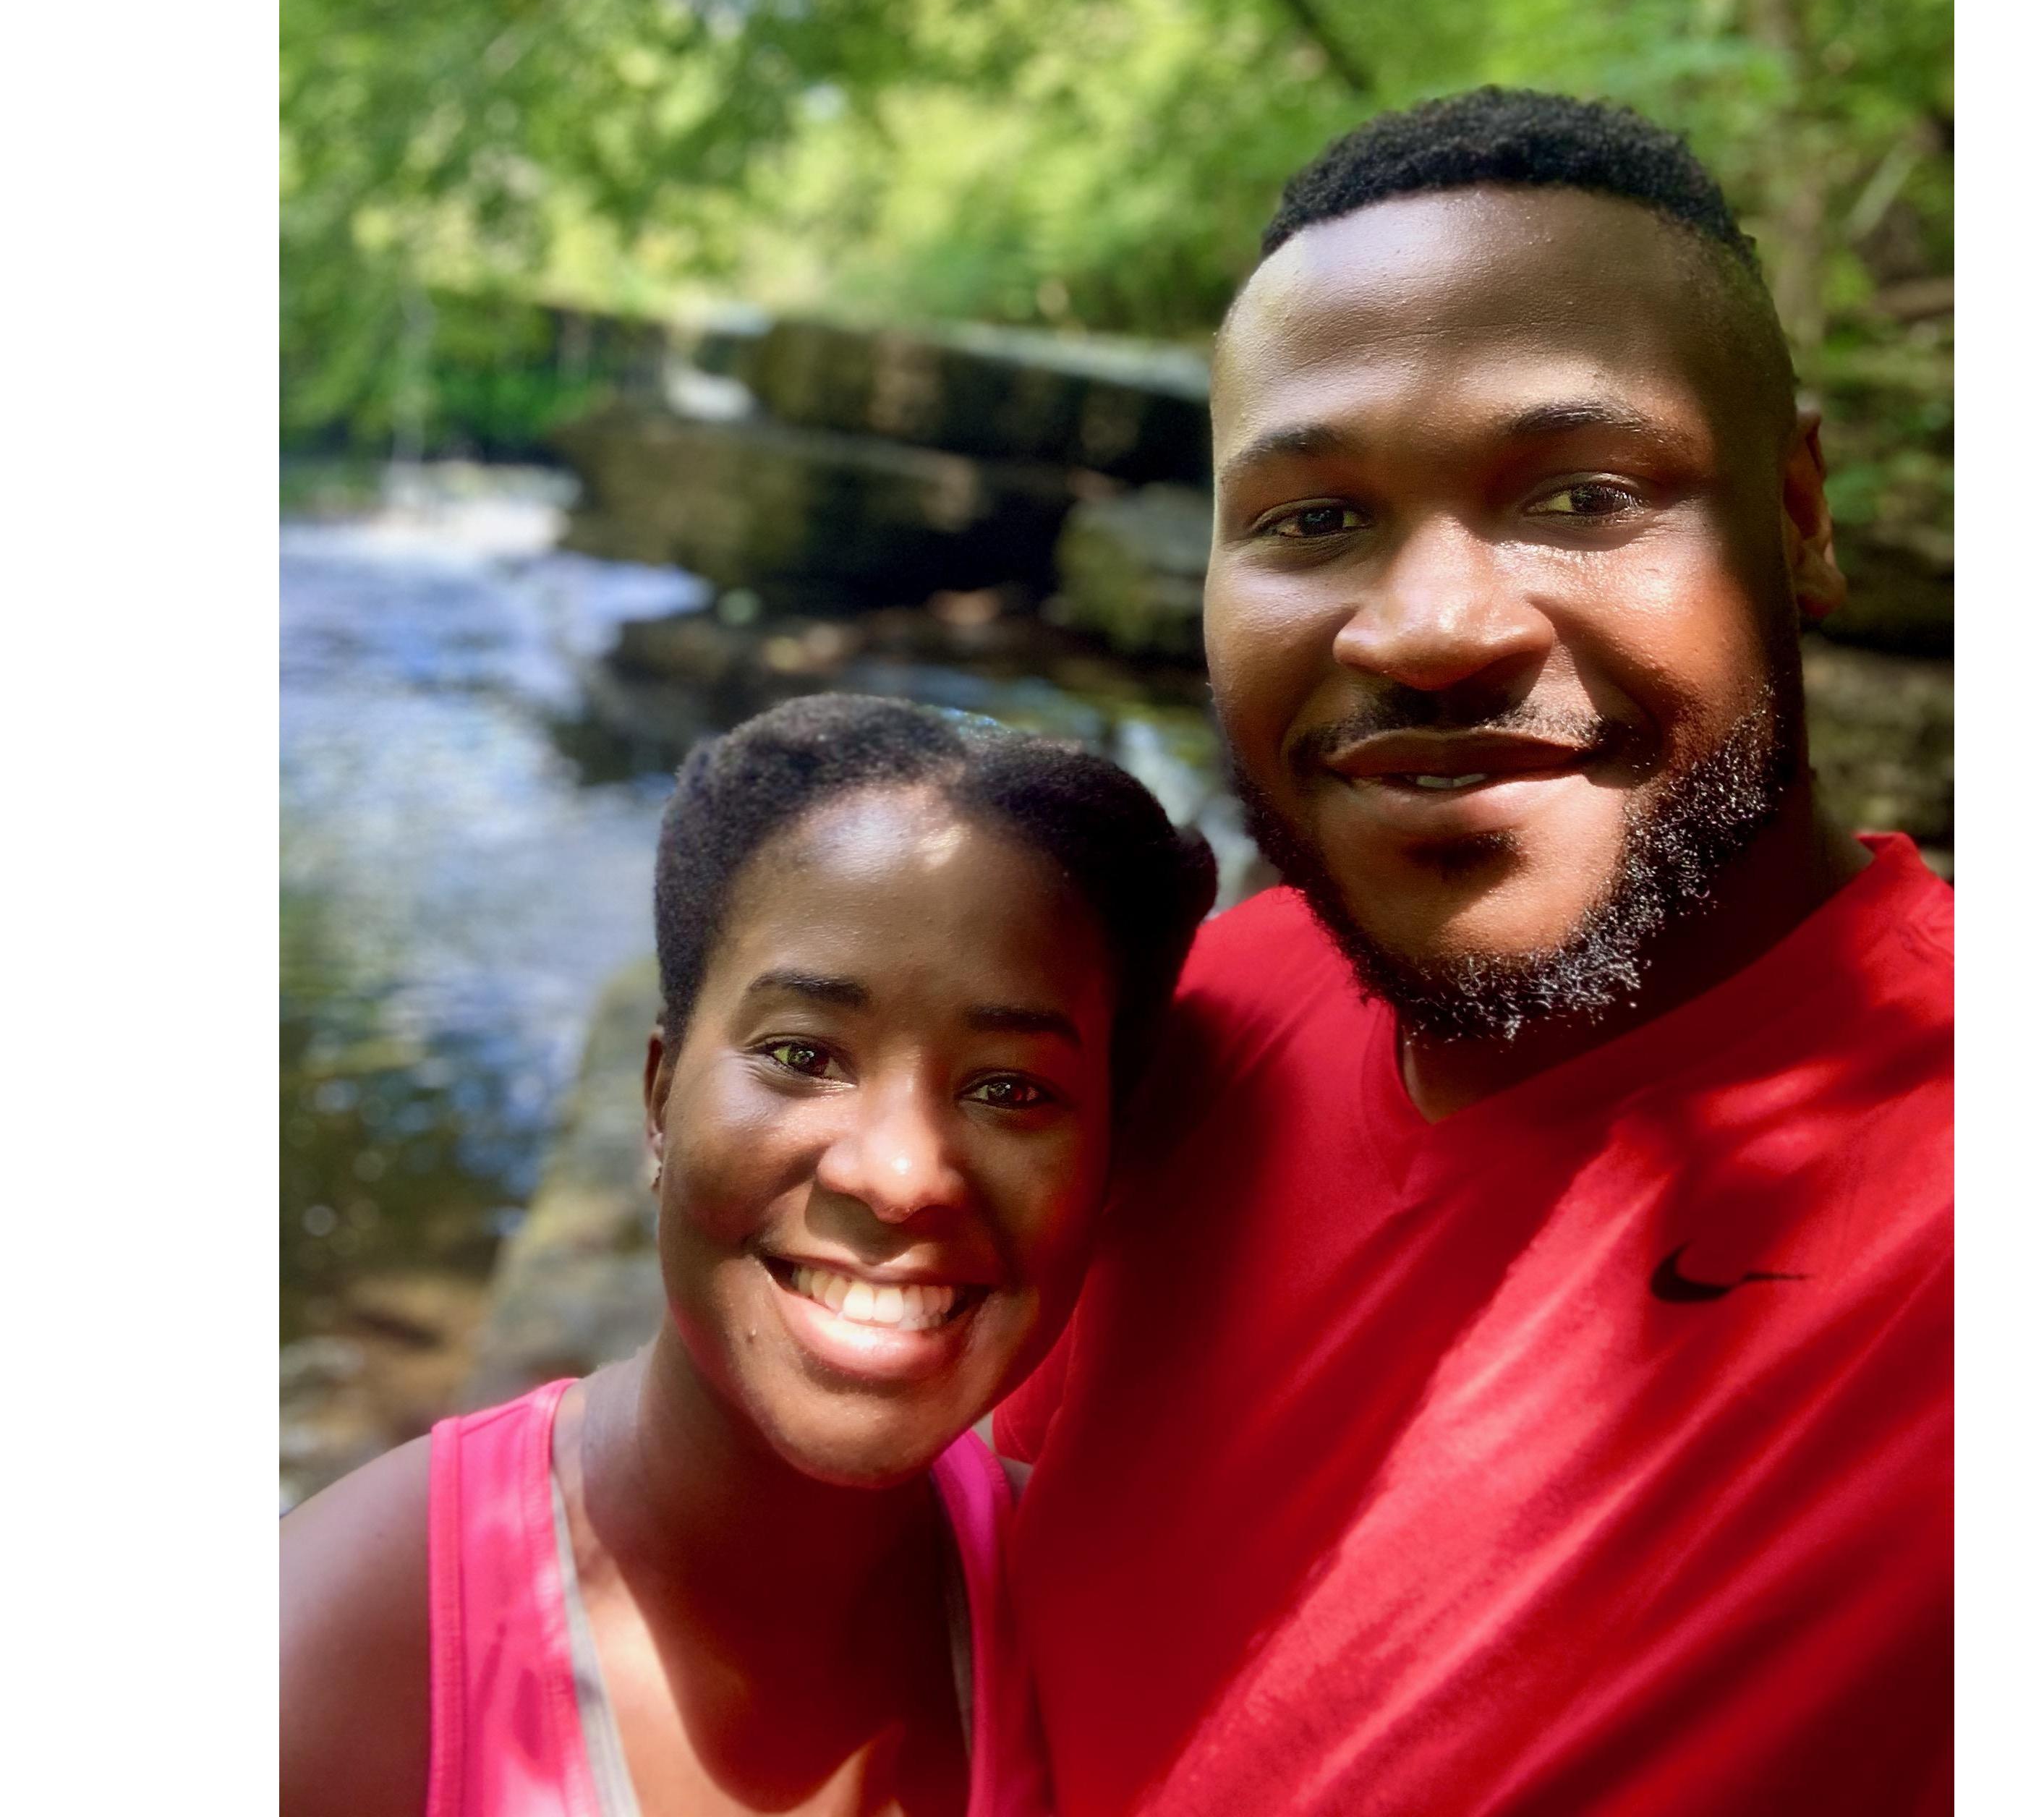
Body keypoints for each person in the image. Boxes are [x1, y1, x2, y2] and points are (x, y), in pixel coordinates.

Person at [995, 88, 1954, 1816]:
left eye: (1582, 493)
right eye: (1307, 520)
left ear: (1796, 514)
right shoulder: (1202, 1016)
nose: (1431, 629)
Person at [281, 694, 1217, 1817]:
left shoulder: (1095, 1621)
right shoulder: (333, 1662)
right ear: (660, 1097)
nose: (900, 1173)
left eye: (1012, 1089)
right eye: (803, 1054)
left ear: (1112, 1162)